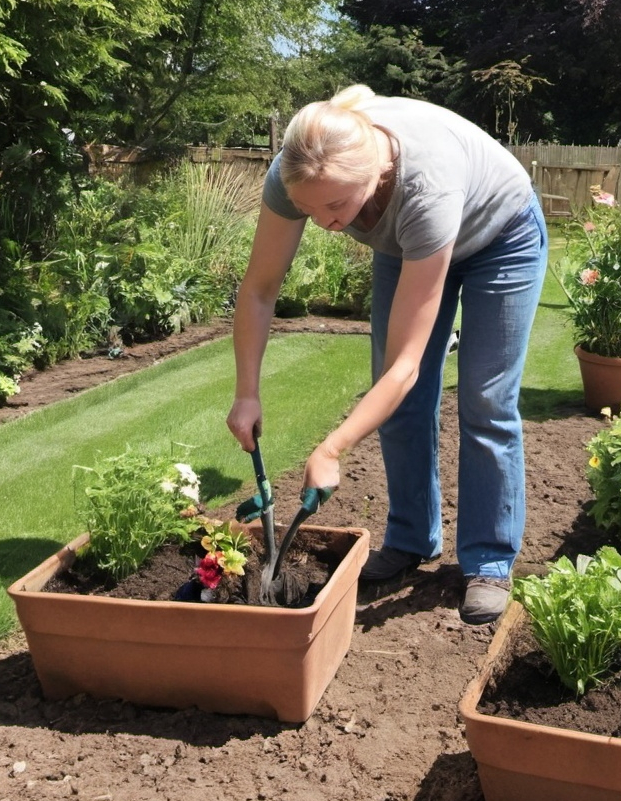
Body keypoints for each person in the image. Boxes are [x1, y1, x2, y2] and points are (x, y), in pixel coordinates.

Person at [226, 86, 547, 624]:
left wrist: (332, 448)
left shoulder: (426, 186)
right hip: (408, 244)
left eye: (336, 206)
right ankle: (411, 538)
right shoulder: (296, 170)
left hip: (499, 235)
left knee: (485, 399)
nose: (327, 224)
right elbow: (259, 290)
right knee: (396, 402)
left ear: (374, 173)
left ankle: (489, 559)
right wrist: (246, 392)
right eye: (310, 209)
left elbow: (408, 365)